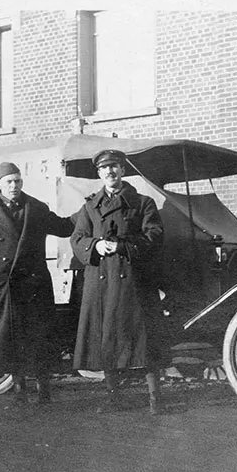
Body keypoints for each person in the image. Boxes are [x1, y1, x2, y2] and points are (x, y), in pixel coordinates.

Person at [0, 162, 75, 405]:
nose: (14, 186)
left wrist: (87, 211)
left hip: (35, 286)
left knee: (39, 338)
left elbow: (63, 226)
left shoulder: (36, 208)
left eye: (17, 181)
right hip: (5, 288)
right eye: (8, 182)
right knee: (12, 341)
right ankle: (19, 390)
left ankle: (44, 390)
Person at [71, 149, 165, 415]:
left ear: (123, 171)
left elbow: (154, 236)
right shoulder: (90, 207)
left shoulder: (143, 203)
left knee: (144, 343)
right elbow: (77, 239)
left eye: (114, 167)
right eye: (104, 169)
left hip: (133, 282)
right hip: (102, 283)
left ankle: (155, 397)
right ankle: (113, 398)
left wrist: (123, 246)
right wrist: (96, 245)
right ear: (99, 174)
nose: (110, 172)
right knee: (107, 341)